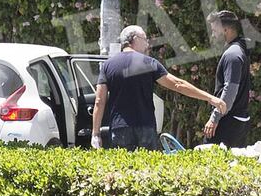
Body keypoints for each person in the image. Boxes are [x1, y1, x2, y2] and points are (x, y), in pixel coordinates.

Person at [91, 25, 227, 151]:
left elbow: (99, 101)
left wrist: (95, 133)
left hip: (119, 128)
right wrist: (210, 98)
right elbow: (178, 85)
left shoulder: (108, 65)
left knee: (123, 173)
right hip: (145, 126)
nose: (147, 44)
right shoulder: (148, 62)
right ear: (135, 39)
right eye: (145, 39)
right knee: (147, 172)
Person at [203, 10, 250, 147]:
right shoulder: (240, 49)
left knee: (210, 163)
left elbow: (230, 90)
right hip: (237, 120)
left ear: (226, 30)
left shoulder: (232, 54)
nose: (213, 34)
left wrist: (214, 118)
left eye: (215, 30)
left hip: (228, 123)